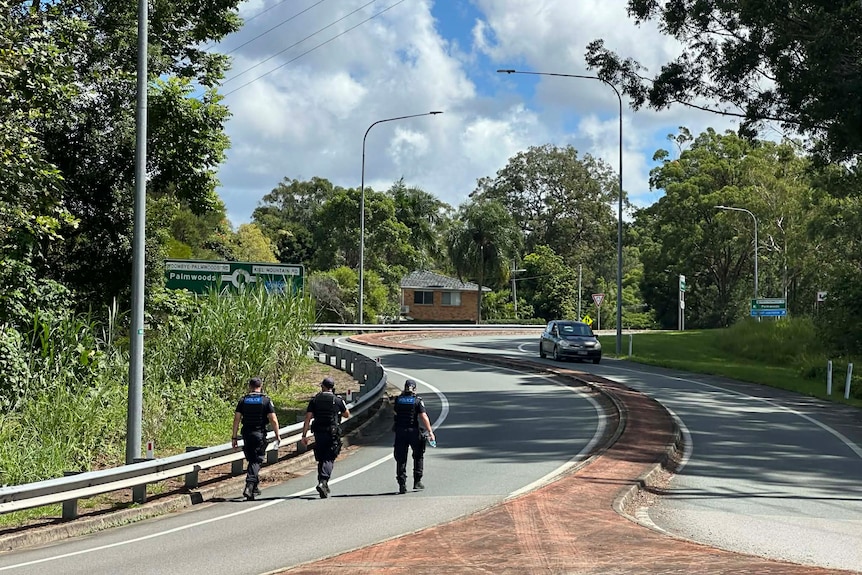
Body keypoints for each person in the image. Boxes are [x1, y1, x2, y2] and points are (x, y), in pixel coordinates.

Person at [232, 377, 280, 501]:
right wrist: (277, 435)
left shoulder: (243, 400)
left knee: (252, 459)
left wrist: (234, 436)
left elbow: (237, 419)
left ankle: (254, 488)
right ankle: (249, 485)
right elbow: (273, 419)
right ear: (261, 386)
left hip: (246, 434)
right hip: (259, 433)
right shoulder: (265, 400)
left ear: (249, 386)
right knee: (256, 461)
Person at [301, 376, 350, 498]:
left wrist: (304, 435)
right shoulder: (337, 400)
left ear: (323, 386)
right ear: (332, 388)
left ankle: (323, 483)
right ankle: (323, 481)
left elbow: (308, 418)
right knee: (329, 457)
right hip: (332, 433)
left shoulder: (315, 400)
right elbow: (347, 414)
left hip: (318, 432)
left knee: (321, 457)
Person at [392, 379, 435, 494]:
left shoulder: (398, 400)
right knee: (418, 455)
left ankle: (402, 483)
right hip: (413, 431)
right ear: (414, 389)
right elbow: (423, 416)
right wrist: (430, 431)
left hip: (400, 431)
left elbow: (395, 413)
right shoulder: (417, 401)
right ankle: (417, 480)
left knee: (401, 458)